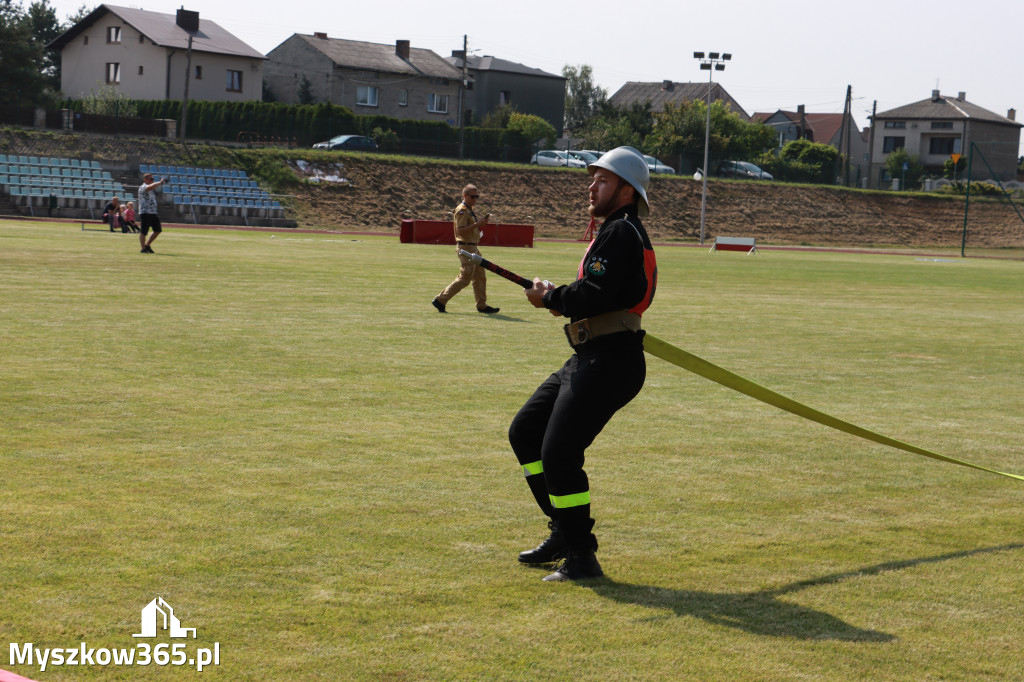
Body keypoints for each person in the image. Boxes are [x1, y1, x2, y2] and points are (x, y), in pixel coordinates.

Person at [508, 147, 657, 582]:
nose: (592, 187)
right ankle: (563, 530)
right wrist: (559, 297)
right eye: (592, 179)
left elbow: (593, 295)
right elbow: (597, 292)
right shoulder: (617, 231)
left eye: (603, 180)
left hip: (610, 360)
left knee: (558, 453)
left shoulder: (621, 231)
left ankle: (581, 557)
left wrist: (549, 298)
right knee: (526, 432)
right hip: (592, 355)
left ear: (627, 191)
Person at [431, 184, 500, 314]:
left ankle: (481, 305)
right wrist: (477, 224)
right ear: (465, 196)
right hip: (466, 247)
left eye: (477, 196)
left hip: (473, 246)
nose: (475, 199)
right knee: (465, 278)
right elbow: (460, 231)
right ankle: (440, 299)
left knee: (480, 276)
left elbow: (471, 228)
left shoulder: (469, 209)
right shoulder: (462, 210)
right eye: (472, 196)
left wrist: (480, 225)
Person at [138, 173, 168, 254]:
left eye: (153, 179)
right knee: (144, 231)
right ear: (145, 179)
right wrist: (160, 182)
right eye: (151, 179)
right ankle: (143, 248)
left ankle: (147, 245)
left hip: (153, 212)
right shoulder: (143, 187)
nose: (152, 180)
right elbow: (150, 187)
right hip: (145, 212)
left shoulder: (152, 189)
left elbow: (152, 187)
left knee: (158, 230)